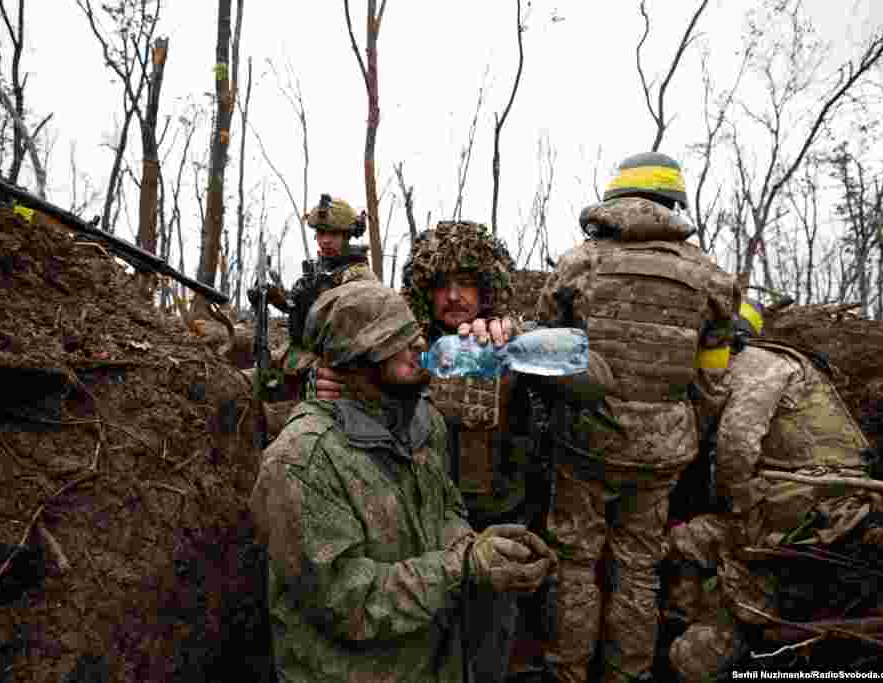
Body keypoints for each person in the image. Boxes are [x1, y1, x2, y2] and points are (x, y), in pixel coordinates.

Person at [314, 220, 614, 682]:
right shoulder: (396, 345)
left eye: (466, 283)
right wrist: (332, 382)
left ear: (487, 286)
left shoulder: (506, 338)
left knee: (489, 644)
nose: (453, 296)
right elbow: (333, 394)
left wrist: (519, 342)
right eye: (441, 285)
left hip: (497, 518)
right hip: (415, 526)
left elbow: (597, 379)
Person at [249, 279, 557, 683]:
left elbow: (444, 510)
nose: (417, 345)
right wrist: (461, 567)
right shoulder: (302, 462)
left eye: (412, 331)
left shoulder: (421, 424)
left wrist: (479, 549)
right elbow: (346, 600)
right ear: (354, 359)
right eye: (394, 339)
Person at [534, 151, 741, 683]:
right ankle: (627, 675)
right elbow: (714, 383)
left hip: (584, 445)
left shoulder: (579, 263)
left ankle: (567, 673)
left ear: (616, 199)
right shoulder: (712, 278)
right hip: (661, 455)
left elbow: (546, 350)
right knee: (640, 567)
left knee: (576, 563)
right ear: (674, 203)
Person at [665, 300, 878, 682]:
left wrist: (739, 505)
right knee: (684, 541)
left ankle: (703, 637)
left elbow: (736, 444)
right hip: (801, 489)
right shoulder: (749, 365)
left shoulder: (759, 365)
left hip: (812, 493)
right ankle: (687, 614)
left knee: (684, 541)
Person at [260, 193, 376, 437]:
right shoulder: (318, 270)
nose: (325, 241)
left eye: (332, 234)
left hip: (338, 365)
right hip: (302, 353)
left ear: (346, 236)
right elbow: (297, 306)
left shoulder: (358, 276)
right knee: (258, 377)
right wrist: (273, 297)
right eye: (321, 234)